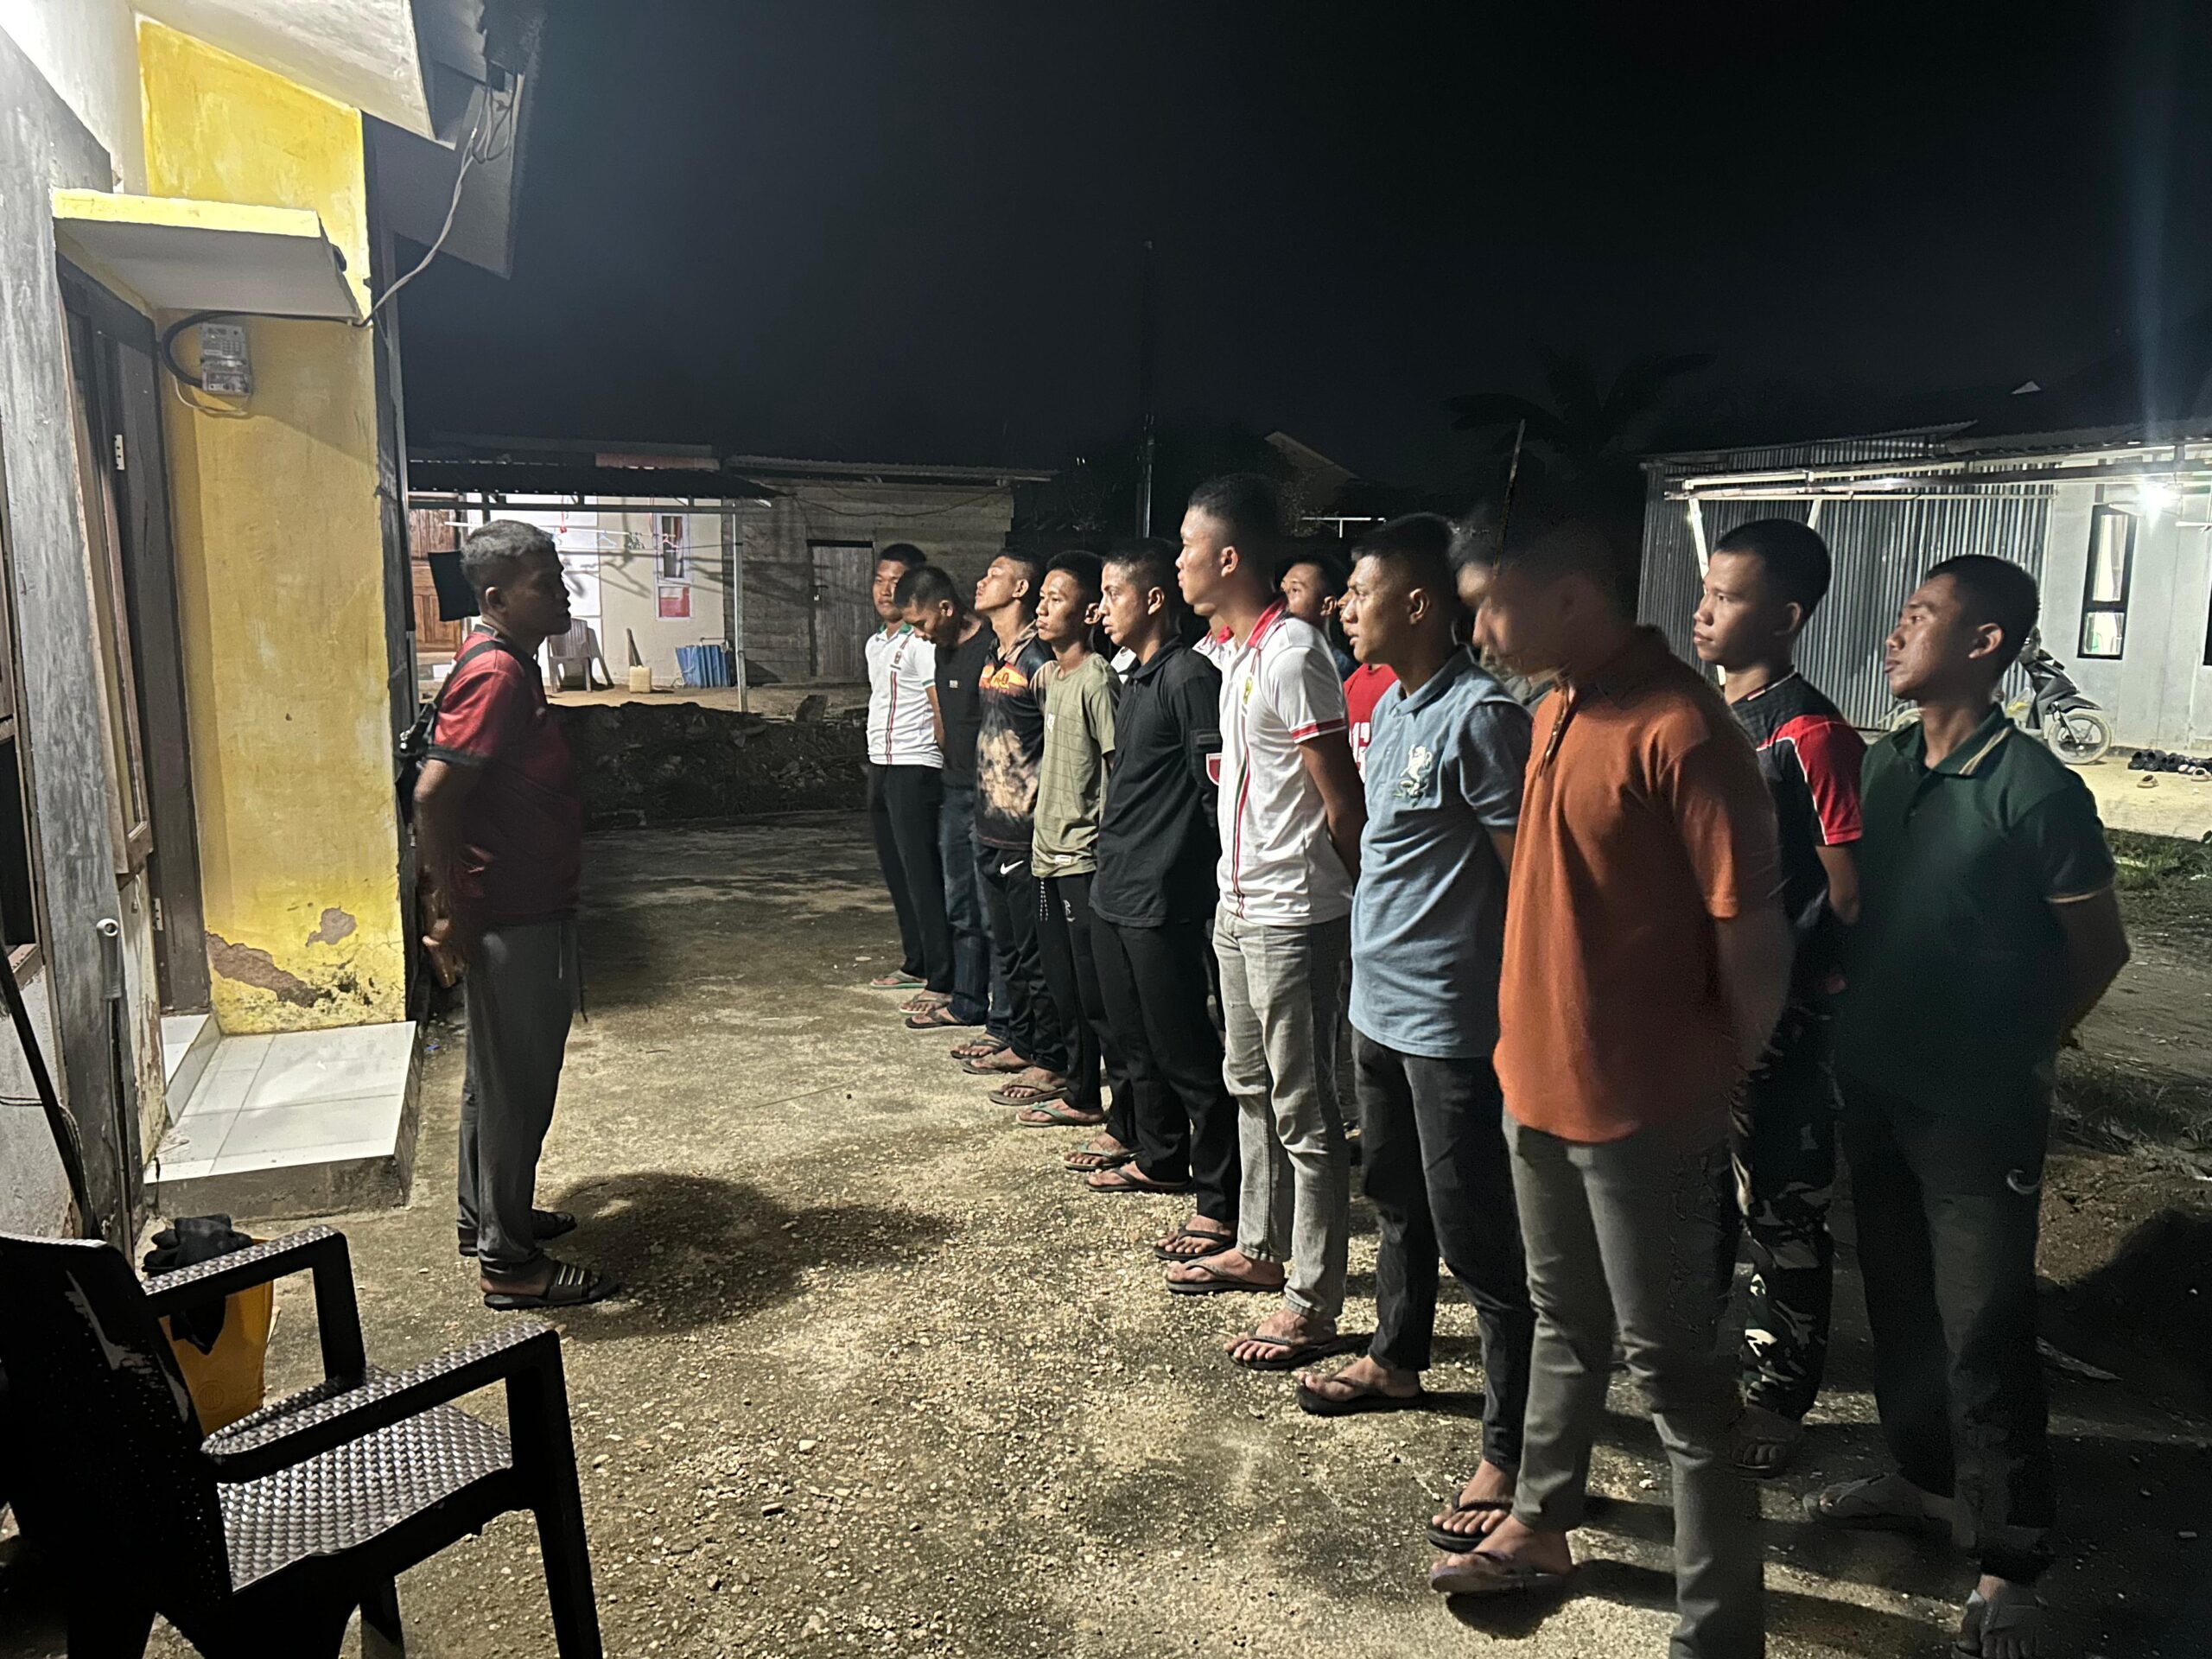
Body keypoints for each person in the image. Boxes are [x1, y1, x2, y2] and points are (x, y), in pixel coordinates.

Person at [1433, 519, 1786, 1659]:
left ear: (1574, 599)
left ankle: (1718, 1630)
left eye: (1491, 605)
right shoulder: (1555, 709)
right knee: (1565, 1325)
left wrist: (1723, 1077)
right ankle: (1539, 1524)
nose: (1478, 630)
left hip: (1647, 1113)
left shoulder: (1685, 731)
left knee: (1678, 1378)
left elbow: (1753, 934)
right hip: (1535, 1086)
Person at [1809, 556, 2129, 1659]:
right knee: (1897, 1296)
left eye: (1918, 617)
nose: (1893, 635)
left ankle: (2009, 1561)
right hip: (1876, 1081)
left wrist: (2020, 1044)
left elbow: (2099, 947)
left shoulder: (2033, 788)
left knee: (1983, 1322)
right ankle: (1921, 1476)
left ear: (1984, 643)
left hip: (1975, 1108)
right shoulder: (1884, 763)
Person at [1293, 515, 1538, 1535]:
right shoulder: (1391, 704)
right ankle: (1396, 1358)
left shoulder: (1483, 717)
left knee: (1479, 1232)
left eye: (1360, 590)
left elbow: (1524, 880)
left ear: (1420, 603)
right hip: (1379, 1005)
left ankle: (1511, 1449)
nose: (1344, 607)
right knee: (1397, 1198)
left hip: (1449, 1020)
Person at [1166, 474, 1366, 1374]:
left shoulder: (1293, 654)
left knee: (1304, 1109)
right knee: (1248, 1084)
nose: (1177, 562)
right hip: (1238, 905)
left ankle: (1314, 1298)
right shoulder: (1238, 656)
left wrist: (1354, 898)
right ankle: (1259, 1245)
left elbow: (1341, 799)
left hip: (1292, 912)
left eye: (1187, 546)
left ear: (1228, 557)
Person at [1689, 518, 1865, 1477]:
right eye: (1705, 592)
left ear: (1787, 617)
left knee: (1783, 1213)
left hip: (1781, 1023)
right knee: (1701, 1198)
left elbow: (1846, 894)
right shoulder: (1703, 720)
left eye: (1727, 597)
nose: (1703, 611)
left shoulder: (1812, 736)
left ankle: (1780, 1394)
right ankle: (1696, 1352)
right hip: (1696, 1015)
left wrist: (1778, 995)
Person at [415, 520, 617, 1310]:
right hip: (513, 911)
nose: (563, 594)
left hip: (519, 902)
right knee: (517, 1090)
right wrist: (448, 908)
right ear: (497, 598)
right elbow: (434, 796)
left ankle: (487, 1219)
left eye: (560, 578)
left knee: (493, 1081)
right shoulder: (497, 674)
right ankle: (510, 1265)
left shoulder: (506, 662)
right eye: (546, 583)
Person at [1083, 540, 1236, 1255]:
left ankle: (1221, 1200)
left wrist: (1205, 886)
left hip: (1162, 895)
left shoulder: (1188, 677)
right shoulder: (1137, 679)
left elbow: (1213, 795)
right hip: (1115, 888)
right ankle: (1159, 1155)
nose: (1101, 609)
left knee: (1187, 1051)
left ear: (1152, 600)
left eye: (1112, 593)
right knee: (1133, 1040)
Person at [1025, 551, 1129, 1131]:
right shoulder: (1049, 677)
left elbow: (1116, 768)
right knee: (1063, 985)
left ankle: (1117, 1109)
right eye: (1041, 598)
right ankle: (1080, 1090)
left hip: (1082, 858)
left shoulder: (1097, 679)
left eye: (1055, 599)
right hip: (1046, 856)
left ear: (1090, 613)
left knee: (1095, 994)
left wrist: (1107, 847)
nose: (1042, 608)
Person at [969, 551, 1071, 1109]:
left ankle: (1051, 1061)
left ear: (1021, 589)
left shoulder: (1039, 660)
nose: (981, 581)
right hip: (988, 825)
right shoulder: (994, 654)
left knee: (1036, 958)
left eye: (994, 575)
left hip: (1026, 833)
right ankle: (1021, 1042)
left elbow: (1059, 747)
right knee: (1007, 950)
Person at [898, 564, 995, 1036]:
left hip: (991, 794)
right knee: (960, 903)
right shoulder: (941, 650)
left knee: (991, 907)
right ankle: (967, 1000)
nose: (919, 634)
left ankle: (1004, 1015)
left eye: (921, 623)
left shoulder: (991, 646)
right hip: (954, 789)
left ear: (946, 607)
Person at [861, 544, 950, 1007]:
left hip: (915, 766)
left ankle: (941, 972)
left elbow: (940, 711)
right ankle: (915, 961)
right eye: (879, 580)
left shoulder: (922, 645)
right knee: (896, 871)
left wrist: (946, 762)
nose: (885, 590)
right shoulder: (875, 643)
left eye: (896, 581)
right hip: (881, 763)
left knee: (922, 873)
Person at [1280, 550, 1357, 679]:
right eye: (1282, 589)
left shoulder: (1336, 668)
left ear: (1327, 606)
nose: (1283, 598)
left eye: (1295, 590)